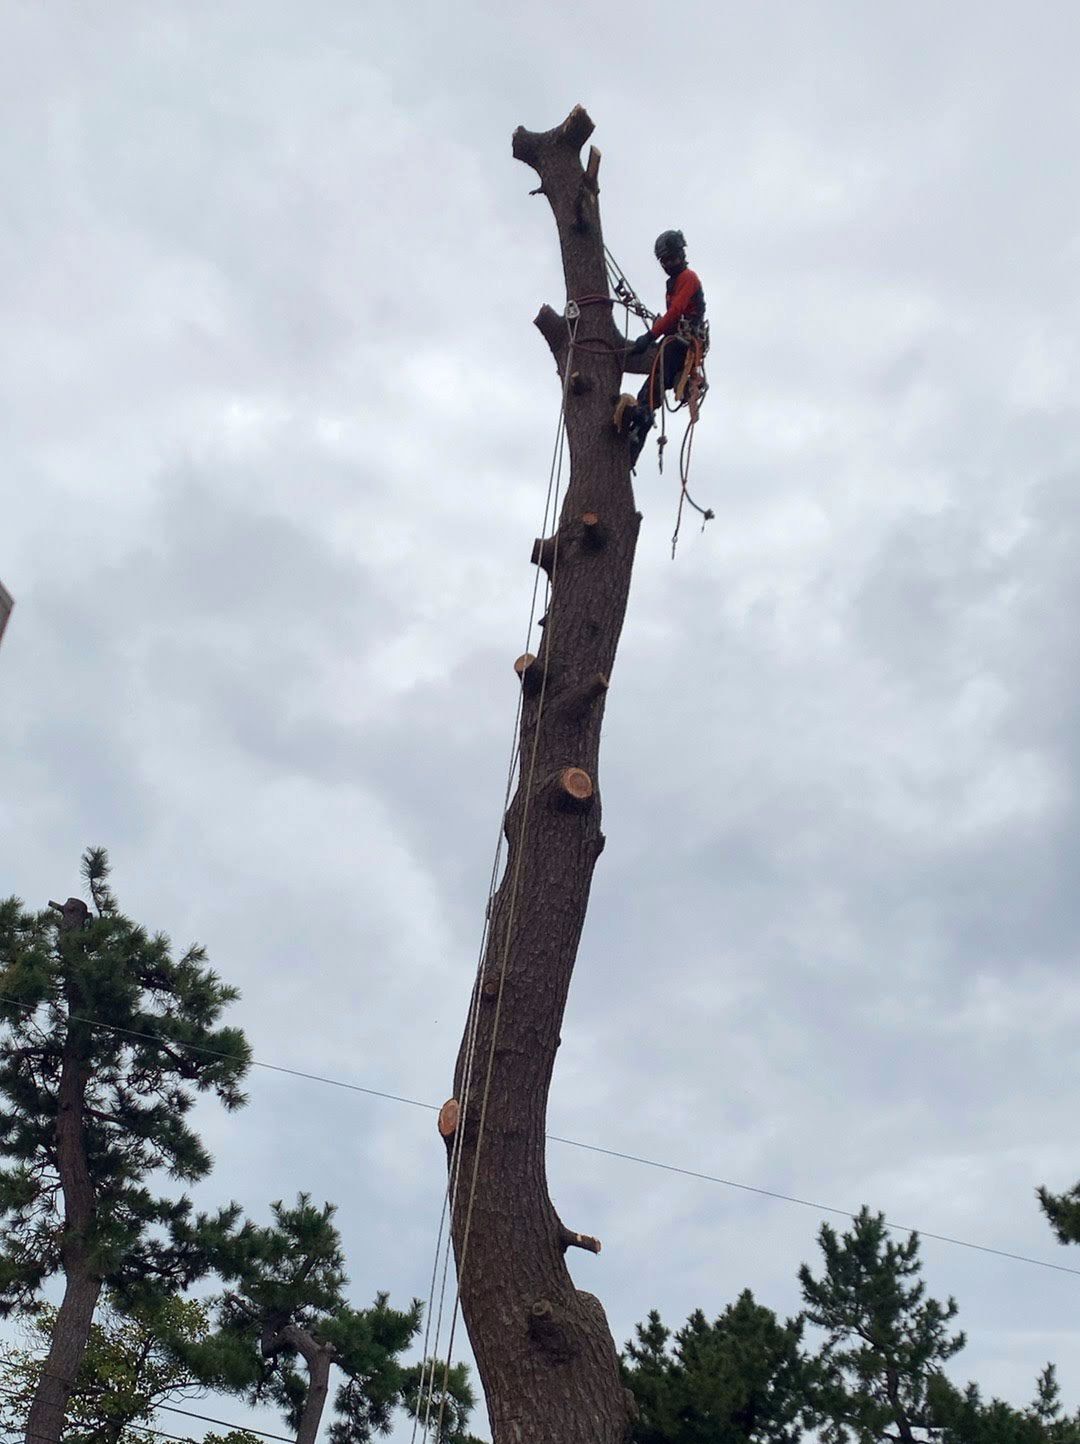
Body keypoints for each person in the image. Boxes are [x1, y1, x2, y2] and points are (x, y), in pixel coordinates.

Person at [619, 230, 706, 464]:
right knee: (649, 396)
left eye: (671, 258)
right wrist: (654, 338)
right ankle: (631, 450)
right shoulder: (674, 283)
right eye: (664, 260)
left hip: (681, 346)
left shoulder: (688, 278)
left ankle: (632, 447)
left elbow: (675, 312)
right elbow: (673, 319)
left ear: (681, 254)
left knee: (646, 398)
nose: (668, 264)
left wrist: (649, 336)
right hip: (674, 343)